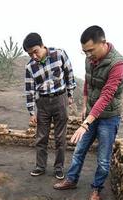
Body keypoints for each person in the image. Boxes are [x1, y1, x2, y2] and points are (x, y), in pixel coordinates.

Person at [54, 25, 123, 200]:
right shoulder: (91, 60)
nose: (88, 55)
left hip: (109, 117)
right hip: (92, 114)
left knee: (103, 158)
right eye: (84, 52)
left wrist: (86, 123)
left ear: (103, 42)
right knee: (79, 150)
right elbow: (88, 81)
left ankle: (97, 188)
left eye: (91, 50)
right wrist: (85, 106)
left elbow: (106, 96)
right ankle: (71, 180)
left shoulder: (118, 64)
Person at [23, 32, 76, 180]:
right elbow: (29, 90)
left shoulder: (59, 54)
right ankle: (40, 166)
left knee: (60, 138)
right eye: (30, 54)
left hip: (60, 99)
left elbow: (69, 74)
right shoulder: (30, 67)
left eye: (35, 51)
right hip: (43, 103)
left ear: (42, 45)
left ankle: (58, 168)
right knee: (41, 137)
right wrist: (32, 112)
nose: (34, 56)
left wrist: (70, 95)